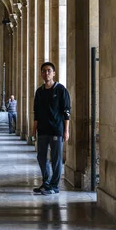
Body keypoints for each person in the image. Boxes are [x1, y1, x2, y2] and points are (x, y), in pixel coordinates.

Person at [32, 62, 70, 195]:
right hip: (42, 130)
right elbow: (36, 113)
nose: (46, 73)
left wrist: (66, 130)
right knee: (41, 156)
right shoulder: (39, 92)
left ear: (54, 73)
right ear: (41, 74)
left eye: (49, 71)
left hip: (56, 130)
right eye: (44, 71)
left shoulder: (61, 90)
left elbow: (66, 112)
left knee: (56, 158)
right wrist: (33, 130)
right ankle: (46, 182)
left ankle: (54, 186)